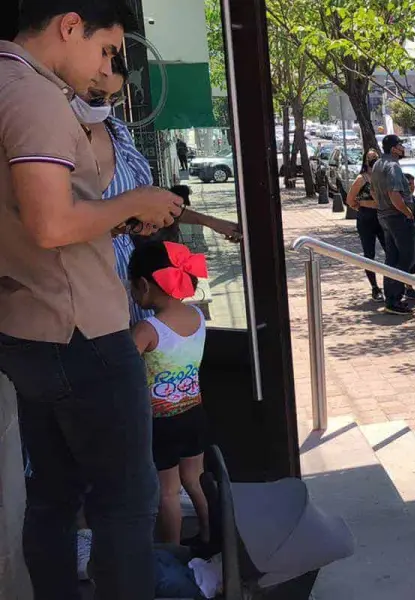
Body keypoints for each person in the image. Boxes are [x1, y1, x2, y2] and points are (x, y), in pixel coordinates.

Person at [0, 4, 184, 599]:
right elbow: (52, 225)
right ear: (69, 25)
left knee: (53, 495)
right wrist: (134, 204)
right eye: (106, 51)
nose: (108, 68)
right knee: (128, 503)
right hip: (80, 328)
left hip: (29, 325)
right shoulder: (32, 95)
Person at [84, 56, 240, 323]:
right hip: (89, 279)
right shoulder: (61, 142)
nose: (106, 105)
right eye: (98, 95)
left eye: (114, 98)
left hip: (130, 274)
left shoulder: (116, 130)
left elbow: (153, 204)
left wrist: (212, 222)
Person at [127, 241, 212, 548]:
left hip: (161, 422)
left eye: (133, 289)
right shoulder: (197, 315)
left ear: (144, 284)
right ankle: (210, 533)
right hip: (194, 413)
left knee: (167, 491)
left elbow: (123, 372)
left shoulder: (146, 329)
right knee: (196, 479)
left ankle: (171, 551)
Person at [371, 134, 415, 314]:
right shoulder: (393, 167)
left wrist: (383, 208)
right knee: (407, 258)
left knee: (391, 258)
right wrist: (408, 213)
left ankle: (391, 298)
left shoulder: (377, 165)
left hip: (384, 216)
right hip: (398, 217)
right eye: (400, 145)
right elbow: (395, 195)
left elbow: (374, 192)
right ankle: (395, 299)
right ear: (393, 149)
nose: (403, 148)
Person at [346, 149, 385, 301]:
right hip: (366, 217)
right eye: (370, 158)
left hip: (381, 216)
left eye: (375, 157)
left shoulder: (382, 177)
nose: (373, 160)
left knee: (390, 250)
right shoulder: (361, 179)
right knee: (369, 254)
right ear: (365, 161)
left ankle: (393, 283)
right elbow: (350, 200)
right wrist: (362, 207)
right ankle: (375, 287)